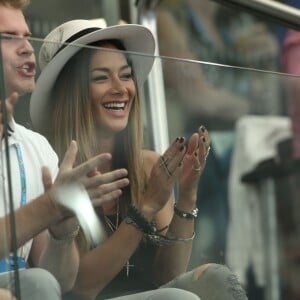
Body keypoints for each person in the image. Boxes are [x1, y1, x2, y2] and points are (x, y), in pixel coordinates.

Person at [30, 19, 248, 300]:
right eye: (101, 77)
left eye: (125, 74)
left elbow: (168, 276)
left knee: (214, 281)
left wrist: (187, 194)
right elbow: (79, 287)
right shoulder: (54, 175)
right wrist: (144, 209)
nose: (121, 88)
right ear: (72, 95)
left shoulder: (147, 166)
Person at [0, 1, 129, 299]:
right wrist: (51, 206)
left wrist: (62, 234)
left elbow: (62, 282)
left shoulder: (37, 147)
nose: (27, 48)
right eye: (8, 37)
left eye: (27, 36)